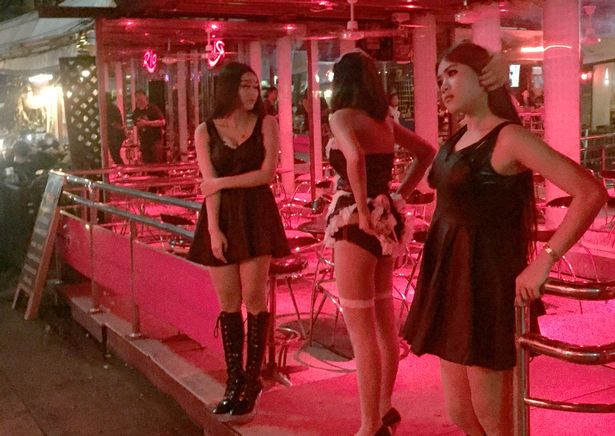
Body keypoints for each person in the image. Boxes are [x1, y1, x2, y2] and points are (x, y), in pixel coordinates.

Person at [402, 42, 607, 436]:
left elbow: (589, 192)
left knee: (494, 419)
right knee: (461, 412)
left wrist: (545, 259)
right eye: (439, 77)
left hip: (486, 284)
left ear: (484, 77)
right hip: (450, 281)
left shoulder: (508, 137)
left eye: (452, 73)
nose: (443, 84)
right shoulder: (459, 137)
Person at [323, 49, 436, 436]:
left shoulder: (340, 117)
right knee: (385, 325)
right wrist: (398, 194)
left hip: (356, 224)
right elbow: (426, 152)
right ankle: (384, 409)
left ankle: (369, 426)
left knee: (361, 332)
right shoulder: (384, 119)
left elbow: (354, 158)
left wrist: (361, 209)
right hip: (387, 220)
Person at [187, 62, 289, 421]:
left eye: (255, 87)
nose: (251, 93)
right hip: (222, 218)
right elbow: (208, 186)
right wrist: (214, 230)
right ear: (228, 88)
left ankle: (252, 380)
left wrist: (220, 183)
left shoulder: (266, 123)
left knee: (254, 298)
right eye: (244, 86)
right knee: (228, 302)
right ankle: (234, 381)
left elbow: (266, 174)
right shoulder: (205, 130)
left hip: (257, 214)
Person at [133, 90, 166, 164]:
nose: (138, 98)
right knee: (146, 162)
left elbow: (162, 122)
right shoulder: (136, 112)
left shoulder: (153, 108)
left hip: (155, 140)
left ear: (145, 97)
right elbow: (137, 125)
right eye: (137, 97)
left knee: (156, 162)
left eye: (140, 96)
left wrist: (147, 123)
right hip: (144, 142)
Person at [106, 93, 126, 166]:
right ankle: (123, 169)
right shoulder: (113, 108)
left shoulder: (109, 109)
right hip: (117, 135)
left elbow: (113, 123)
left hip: (115, 136)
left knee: (115, 155)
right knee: (115, 155)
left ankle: (123, 169)